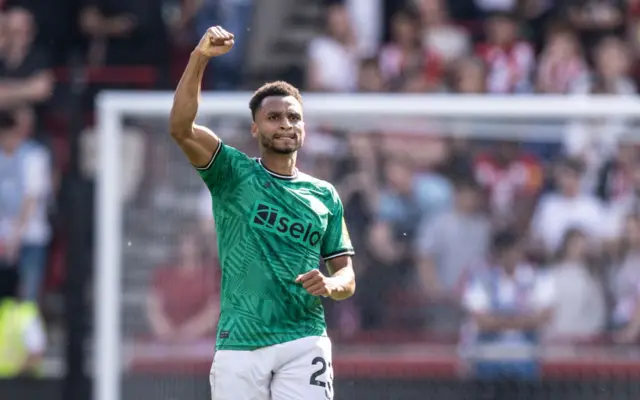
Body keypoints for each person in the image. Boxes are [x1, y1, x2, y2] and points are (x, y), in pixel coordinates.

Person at [169, 26, 356, 400]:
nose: (286, 124)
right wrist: (199, 58)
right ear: (255, 128)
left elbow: (347, 275)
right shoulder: (233, 173)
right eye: (274, 118)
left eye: (293, 117)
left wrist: (332, 285)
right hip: (241, 341)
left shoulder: (325, 195)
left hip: (304, 339)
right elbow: (180, 128)